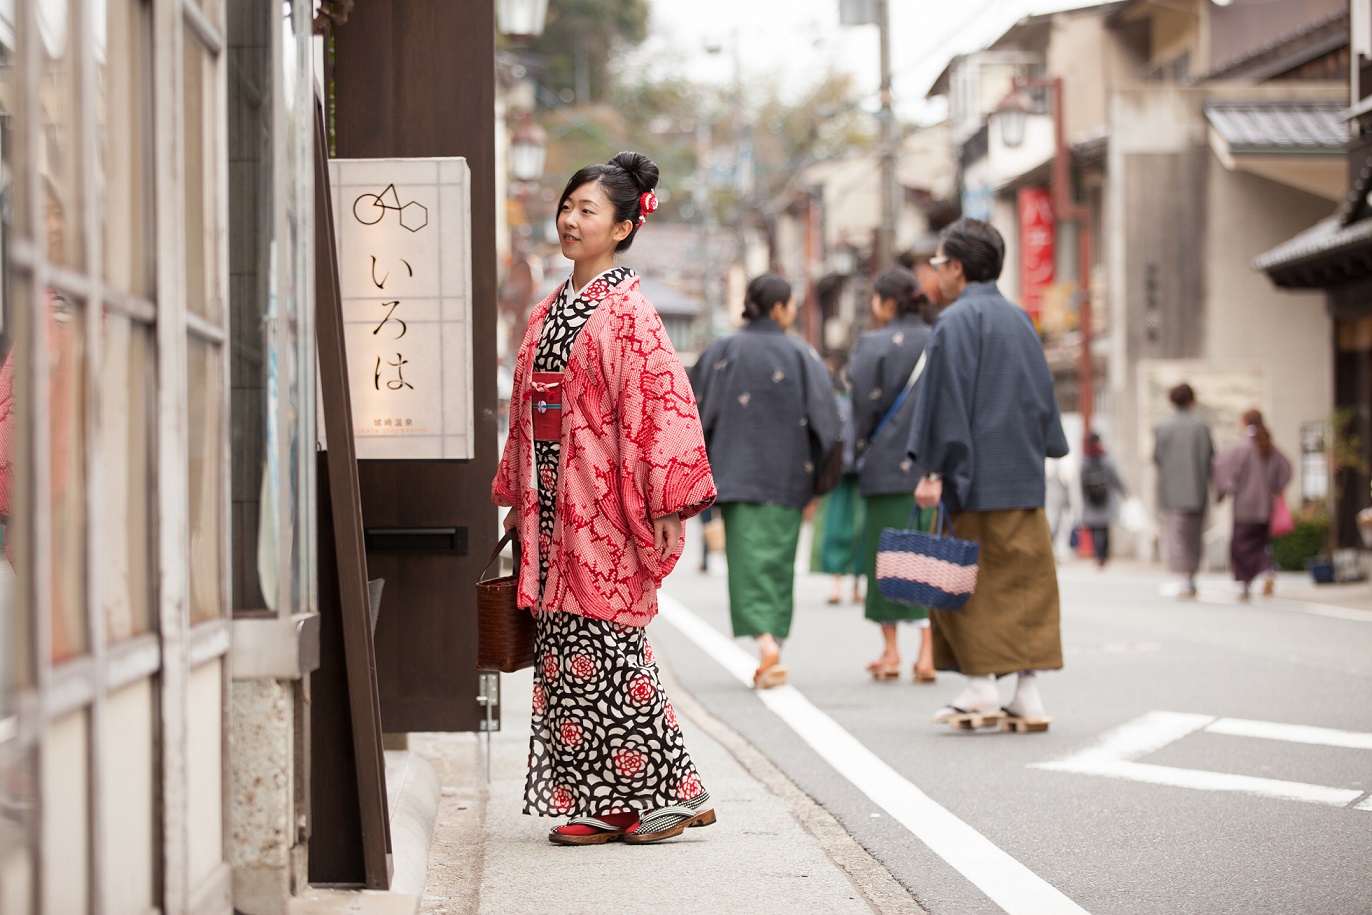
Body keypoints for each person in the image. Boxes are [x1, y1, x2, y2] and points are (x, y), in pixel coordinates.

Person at [492, 152, 718, 846]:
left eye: (586, 210)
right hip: (552, 500)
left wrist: (669, 504)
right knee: (563, 649)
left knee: (611, 645)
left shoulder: (631, 313)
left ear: (622, 227)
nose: (568, 218)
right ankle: (601, 800)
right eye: (567, 206)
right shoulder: (547, 311)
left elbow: (659, 408)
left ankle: (676, 790)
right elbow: (525, 410)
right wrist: (518, 492)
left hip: (603, 498)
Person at [906, 217, 1069, 729]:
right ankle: (1027, 695)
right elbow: (1043, 400)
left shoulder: (956, 322)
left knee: (963, 582)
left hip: (970, 480)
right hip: (1021, 476)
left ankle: (979, 688)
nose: (937, 275)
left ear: (956, 266)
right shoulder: (1021, 319)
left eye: (939, 264)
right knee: (1027, 586)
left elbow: (944, 404)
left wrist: (933, 469)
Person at [690, 274, 841, 690]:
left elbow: (695, 415)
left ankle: (766, 645)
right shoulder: (801, 354)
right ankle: (772, 642)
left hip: (736, 476)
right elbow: (828, 423)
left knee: (747, 564)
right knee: (778, 563)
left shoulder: (722, 351)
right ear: (779, 308)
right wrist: (820, 481)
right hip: (791, 477)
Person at [848, 268, 937, 683]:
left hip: (883, 465)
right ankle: (928, 654)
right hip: (931, 468)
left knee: (884, 557)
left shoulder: (872, 343)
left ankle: (890, 651)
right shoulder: (939, 338)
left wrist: (860, 447)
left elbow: (862, 406)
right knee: (927, 555)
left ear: (887, 302)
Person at [1212, 409, 1292, 601]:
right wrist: (1274, 487)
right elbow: (1286, 469)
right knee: (1259, 545)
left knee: (1240, 548)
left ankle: (1244, 587)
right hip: (1265, 508)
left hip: (1244, 508)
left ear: (1245, 422)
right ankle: (1267, 570)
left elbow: (1220, 465)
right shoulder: (1268, 447)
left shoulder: (1241, 447)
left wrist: (1228, 487)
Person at [809, 368, 866, 606]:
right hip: (858, 473)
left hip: (840, 474)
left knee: (835, 529)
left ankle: (840, 584)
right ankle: (852, 585)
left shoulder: (836, 405)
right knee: (857, 529)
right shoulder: (861, 406)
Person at [1153, 382, 1214, 598]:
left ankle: (1183, 579)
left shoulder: (1163, 426)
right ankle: (1191, 577)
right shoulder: (1201, 426)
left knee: (1176, 536)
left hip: (1171, 491)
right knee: (1194, 536)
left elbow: (1158, 458)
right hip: (1196, 489)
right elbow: (1209, 456)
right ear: (1191, 400)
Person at [1079, 433, 1127, 569]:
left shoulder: (1085, 459)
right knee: (1104, 529)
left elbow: (1082, 481)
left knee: (1095, 529)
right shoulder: (1107, 457)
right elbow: (1116, 477)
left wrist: (1084, 498)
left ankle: (1098, 555)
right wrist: (1125, 492)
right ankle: (1103, 556)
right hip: (1107, 498)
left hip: (1091, 499)